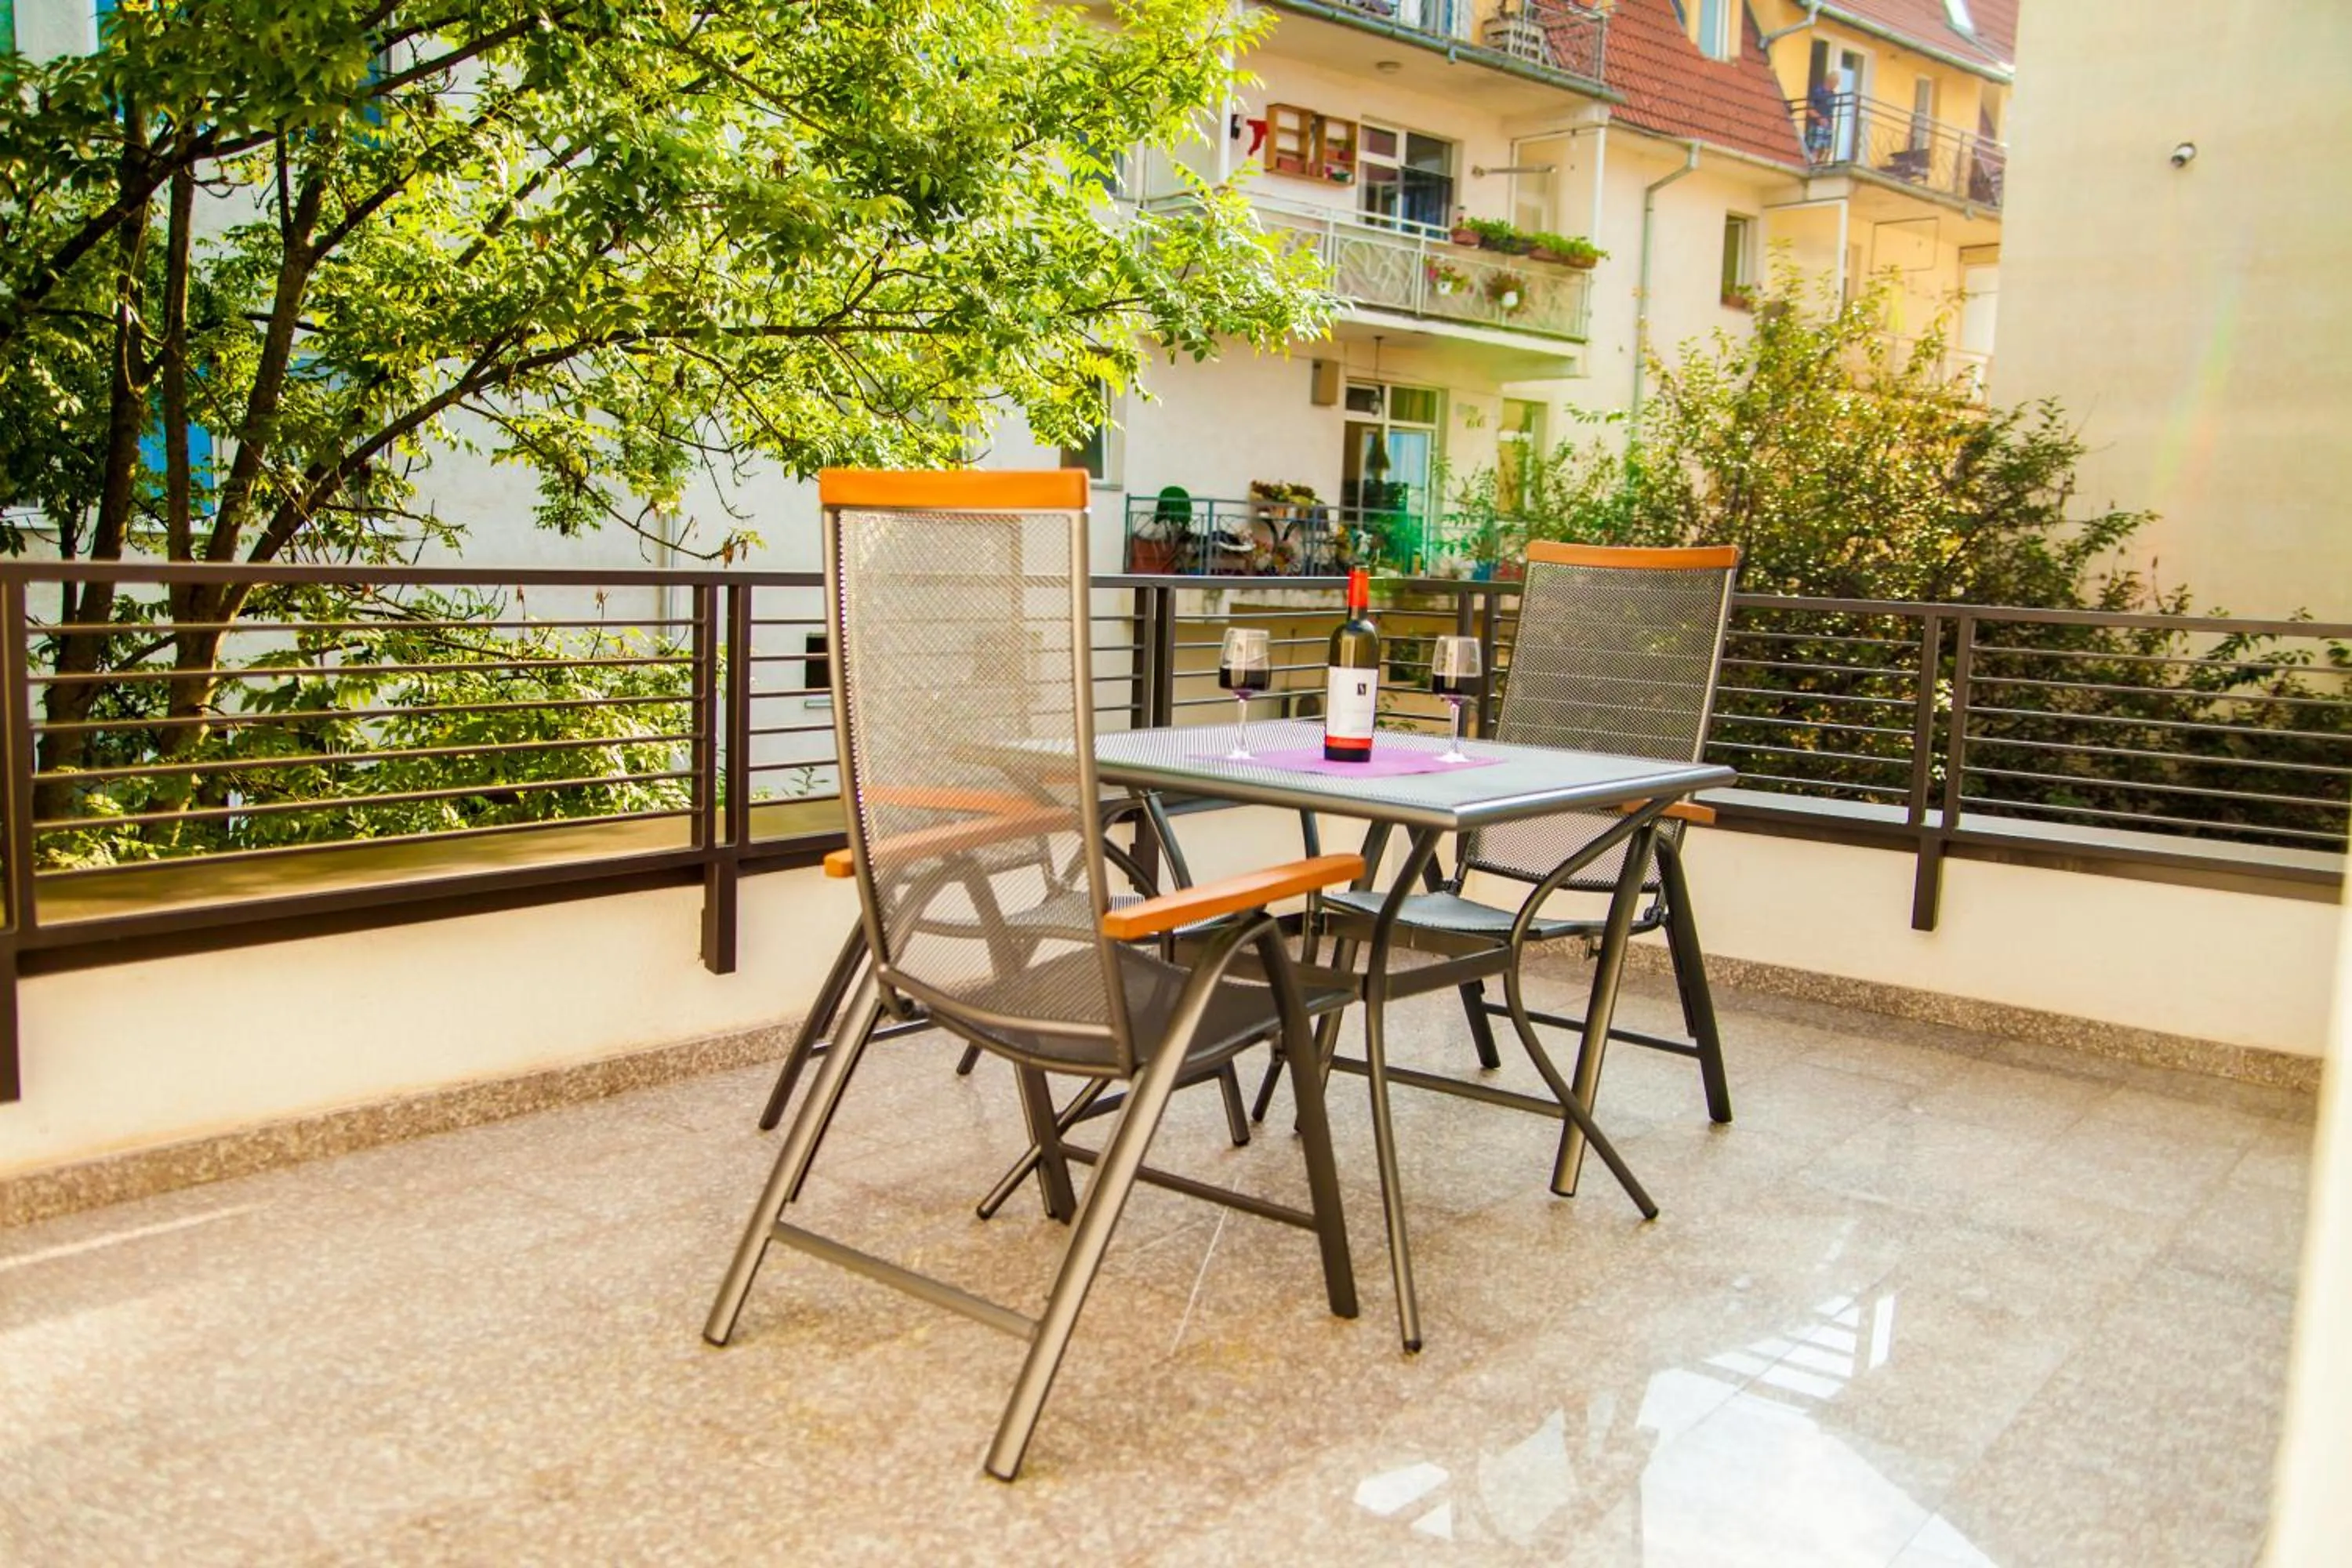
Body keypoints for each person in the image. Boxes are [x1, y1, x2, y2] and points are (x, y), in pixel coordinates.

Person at [1806, 78, 1839, 162]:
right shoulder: (1817, 91)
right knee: (1815, 148)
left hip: (1828, 125)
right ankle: (1812, 164)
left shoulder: (1833, 95)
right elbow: (1809, 108)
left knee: (1827, 150)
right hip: (1817, 124)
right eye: (1836, 83)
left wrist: (1830, 124)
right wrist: (1819, 118)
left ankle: (1821, 165)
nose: (1836, 86)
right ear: (1830, 81)